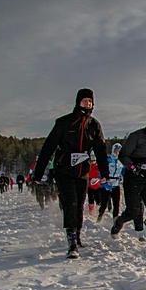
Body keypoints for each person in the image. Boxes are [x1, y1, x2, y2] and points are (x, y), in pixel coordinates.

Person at [34, 88, 109, 259]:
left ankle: (78, 233)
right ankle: (71, 240)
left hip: (83, 171)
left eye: (90, 102)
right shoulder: (64, 123)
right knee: (70, 203)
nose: (87, 104)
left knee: (80, 203)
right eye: (84, 101)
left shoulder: (94, 125)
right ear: (77, 102)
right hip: (64, 169)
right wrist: (39, 173)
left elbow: (100, 149)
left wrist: (104, 171)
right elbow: (48, 147)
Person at [111, 112, 146, 246]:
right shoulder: (136, 137)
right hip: (133, 179)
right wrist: (136, 169)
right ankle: (118, 223)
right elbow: (123, 156)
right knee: (133, 211)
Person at [97, 143, 123, 221]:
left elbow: (123, 171)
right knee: (104, 204)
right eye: (116, 150)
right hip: (106, 184)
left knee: (116, 204)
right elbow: (101, 171)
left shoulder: (121, 161)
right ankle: (100, 217)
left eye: (119, 151)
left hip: (116, 184)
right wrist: (104, 183)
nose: (117, 152)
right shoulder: (107, 159)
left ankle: (115, 220)